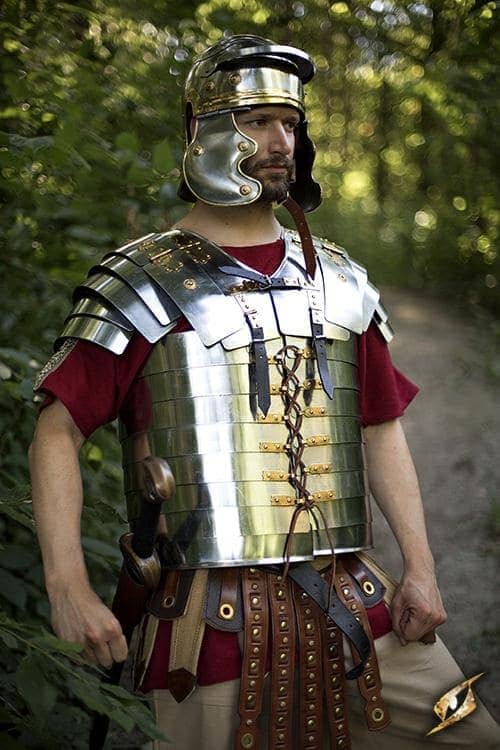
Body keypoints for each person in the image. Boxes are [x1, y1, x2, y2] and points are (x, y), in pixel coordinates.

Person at [29, 35, 500, 749]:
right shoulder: (141, 282)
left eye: (291, 122)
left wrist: (421, 569)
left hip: (354, 601)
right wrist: (67, 586)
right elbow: (57, 429)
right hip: (209, 627)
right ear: (202, 131)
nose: (281, 141)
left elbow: (379, 425)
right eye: (256, 121)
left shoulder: (338, 280)